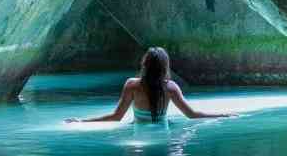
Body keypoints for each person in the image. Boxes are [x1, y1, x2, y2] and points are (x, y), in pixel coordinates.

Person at [66, 47, 234, 123]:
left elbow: (116, 117)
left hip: (138, 131)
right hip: (164, 132)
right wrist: (223, 115)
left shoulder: (132, 85)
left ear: (144, 65)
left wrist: (82, 121)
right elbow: (192, 115)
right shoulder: (171, 88)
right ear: (165, 67)